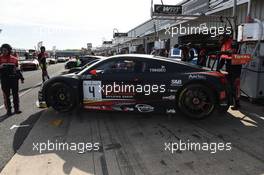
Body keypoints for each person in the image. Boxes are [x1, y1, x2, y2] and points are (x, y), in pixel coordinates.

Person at [219, 34, 242, 110]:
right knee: (228, 85)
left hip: (236, 66)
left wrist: (226, 52)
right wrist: (218, 68)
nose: (220, 41)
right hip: (229, 67)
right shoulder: (224, 45)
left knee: (235, 86)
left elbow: (234, 51)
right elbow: (222, 59)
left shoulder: (233, 42)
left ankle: (237, 103)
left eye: (222, 40)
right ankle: (230, 101)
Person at [0, 44, 24, 116]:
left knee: (15, 95)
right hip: (4, 79)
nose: (3, 51)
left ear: (9, 50)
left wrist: (21, 78)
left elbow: (18, 69)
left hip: (14, 79)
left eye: (5, 50)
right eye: (2, 50)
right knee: (6, 96)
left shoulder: (14, 59)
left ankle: (16, 109)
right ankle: (9, 110)